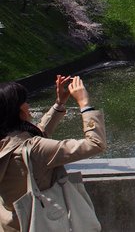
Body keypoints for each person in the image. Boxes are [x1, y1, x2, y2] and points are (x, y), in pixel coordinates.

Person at [0, 76, 107, 231]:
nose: (28, 105)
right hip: (45, 222)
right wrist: (85, 105)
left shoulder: (8, 142)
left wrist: (59, 103)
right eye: (25, 101)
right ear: (20, 109)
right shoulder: (34, 149)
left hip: (12, 223)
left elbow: (36, 134)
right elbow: (95, 144)